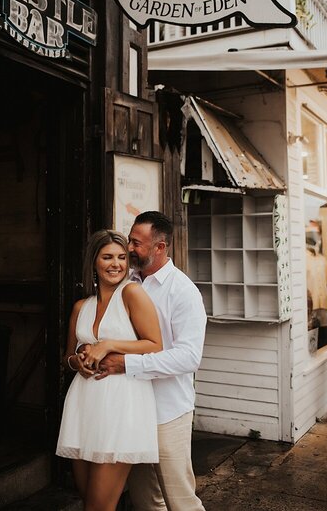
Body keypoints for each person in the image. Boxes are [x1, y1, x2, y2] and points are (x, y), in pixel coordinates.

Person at [95, 211, 207, 511]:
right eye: (129, 240)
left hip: (168, 412)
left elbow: (188, 356)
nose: (129, 248)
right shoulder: (125, 282)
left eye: (136, 243)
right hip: (132, 409)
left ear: (160, 247)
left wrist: (127, 365)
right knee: (145, 500)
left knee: (181, 500)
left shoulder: (183, 292)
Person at [56, 229, 163, 511]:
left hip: (121, 406)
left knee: (99, 506)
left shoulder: (132, 293)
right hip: (83, 406)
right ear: (94, 262)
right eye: (107, 257)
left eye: (121, 257)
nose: (116, 264)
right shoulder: (82, 306)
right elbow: (66, 356)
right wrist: (76, 362)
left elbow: (155, 344)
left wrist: (108, 345)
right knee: (87, 497)